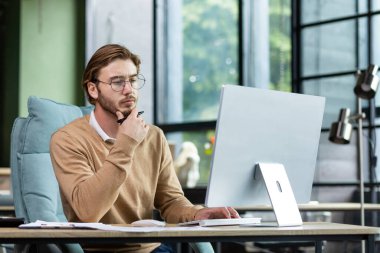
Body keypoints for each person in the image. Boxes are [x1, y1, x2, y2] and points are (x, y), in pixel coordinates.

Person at [50, 44, 239, 253]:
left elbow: (171, 201)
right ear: (93, 89)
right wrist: (126, 143)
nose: (129, 90)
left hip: (151, 250)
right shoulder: (67, 139)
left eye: (132, 80)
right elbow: (88, 211)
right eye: (117, 82)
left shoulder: (154, 136)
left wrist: (196, 214)